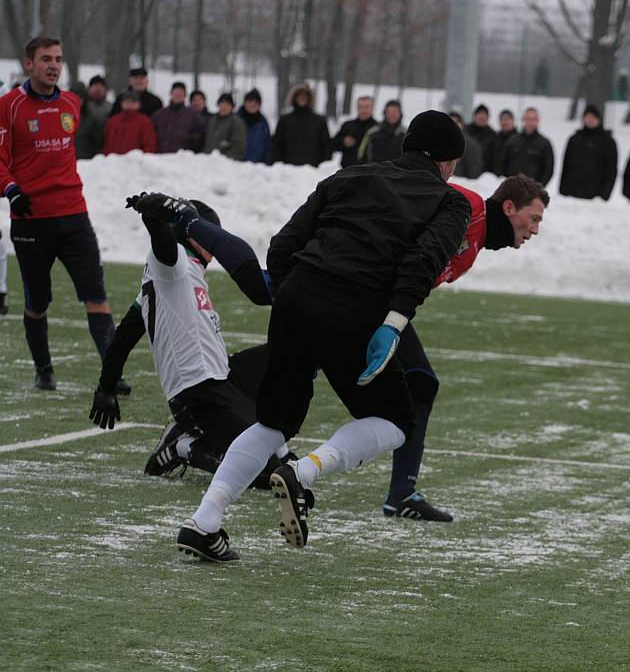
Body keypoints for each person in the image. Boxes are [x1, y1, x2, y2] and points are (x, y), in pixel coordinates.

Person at [174, 110, 470, 562]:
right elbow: (422, 263)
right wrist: (392, 323)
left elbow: (283, 244)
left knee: (274, 422)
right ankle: (303, 472)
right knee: (396, 422)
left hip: (298, 296)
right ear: (448, 162)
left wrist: (299, 295)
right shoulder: (451, 202)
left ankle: (204, 523)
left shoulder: (350, 174)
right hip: (356, 309)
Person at [89, 194, 291, 488]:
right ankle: (182, 445)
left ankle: (280, 450)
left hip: (223, 376)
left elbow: (124, 337)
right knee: (263, 475)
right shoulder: (172, 264)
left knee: (293, 354)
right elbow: (162, 242)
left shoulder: (179, 273)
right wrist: (153, 215)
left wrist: (107, 386)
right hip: (198, 393)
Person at [386, 174, 547, 520]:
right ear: (508, 208)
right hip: (364, 294)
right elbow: (402, 192)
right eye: (533, 219)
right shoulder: (469, 207)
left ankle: (401, 492)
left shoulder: (473, 245)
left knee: (418, 385)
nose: (535, 230)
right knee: (417, 384)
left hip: (380, 304)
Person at [0, 37, 126, 392]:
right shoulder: (8, 106)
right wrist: (11, 190)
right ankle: (44, 370)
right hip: (31, 221)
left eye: (58, 58)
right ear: (29, 64)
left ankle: (112, 373)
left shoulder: (72, 102)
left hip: (74, 215)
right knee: (37, 302)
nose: (53, 65)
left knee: (96, 295)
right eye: (45, 59)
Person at [559, 104, 618, 201]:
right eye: (587, 117)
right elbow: (566, 166)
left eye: (593, 117)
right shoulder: (574, 139)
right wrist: (563, 191)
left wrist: (604, 195)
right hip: (572, 195)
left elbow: (611, 170)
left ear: (599, 119)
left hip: (596, 197)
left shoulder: (608, 141)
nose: (590, 120)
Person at [272, 83, 331, 166]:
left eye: (305, 95)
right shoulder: (284, 120)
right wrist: (279, 165)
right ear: (294, 98)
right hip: (287, 170)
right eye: (299, 95)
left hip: (313, 170)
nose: (302, 98)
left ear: (310, 99)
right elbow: (276, 145)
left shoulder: (320, 121)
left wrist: (323, 167)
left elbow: (327, 146)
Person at [501, 107, 555, 186]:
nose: (530, 122)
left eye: (533, 119)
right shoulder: (513, 141)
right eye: (528, 119)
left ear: (538, 121)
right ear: (523, 120)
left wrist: (539, 187)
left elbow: (548, 169)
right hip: (512, 188)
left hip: (533, 191)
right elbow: (502, 163)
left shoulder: (544, 143)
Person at [151, 81, 206, 154]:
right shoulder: (159, 114)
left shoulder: (194, 116)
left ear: (185, 95)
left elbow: (201, 135)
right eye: (176, 93)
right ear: (171, 93)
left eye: (181, 93)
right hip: (161, 157)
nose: (178, 95)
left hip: (182, 159)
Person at [356, 99, 405, 164]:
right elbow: (360, 155)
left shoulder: (406, 134)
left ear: (400, 114)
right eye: (390, 111)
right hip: (373, 172)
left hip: (397, 173)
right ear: (385, 113)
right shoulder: (372, 132)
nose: (392, 114)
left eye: (395, 111)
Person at [333, 95, 376, 168]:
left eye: (367, 107)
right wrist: (343, 141)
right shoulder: (347, 125)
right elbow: (333, 145)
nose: (364, 110)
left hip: (369, 171)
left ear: (372, 108)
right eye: (361, 107)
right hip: (347, 170)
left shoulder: (378, 128)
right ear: (357, 108)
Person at [75, 75, 111, 159]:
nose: (98, 90)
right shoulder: (83, 106)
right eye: (95, 86)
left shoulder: (110, 108)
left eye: (101, 87)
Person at [203, 93, 247, 160]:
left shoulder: (237, 122)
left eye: (227, 104)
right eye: (222, 103)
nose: (224, 107)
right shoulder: (212, 120)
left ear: (232, 107)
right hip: (208, 160)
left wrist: (223, 159)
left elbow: (238, 146)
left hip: (226, 163)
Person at [238, 89, 272, 165]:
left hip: (257, 168)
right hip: (237, 167)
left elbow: (268, 146)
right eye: (250, 101)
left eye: (256, 102)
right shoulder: (236, 120)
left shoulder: (263, 122)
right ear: (245, 103)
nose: (253, 104)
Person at [450, 112, 483, 179]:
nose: (453, 125)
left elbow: (474, 172)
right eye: (450, 122)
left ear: (462, 124)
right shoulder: (438, 142)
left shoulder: (471, 145)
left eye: (456, 122)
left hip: (462, 184)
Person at [467, 104, 497, 173]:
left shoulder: (493, 135)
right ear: (474, 116)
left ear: (488, 117)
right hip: (465, 174)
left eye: (484, 115)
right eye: (479, 114)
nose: (481, 117)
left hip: (485, 175)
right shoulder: (466, 131)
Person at [490, 109, 516, 175]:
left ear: (512, 121)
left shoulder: (519, 140)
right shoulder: (494, 139)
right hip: (494, 179)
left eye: (507, 119)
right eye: (503, 119)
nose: (505, 122)